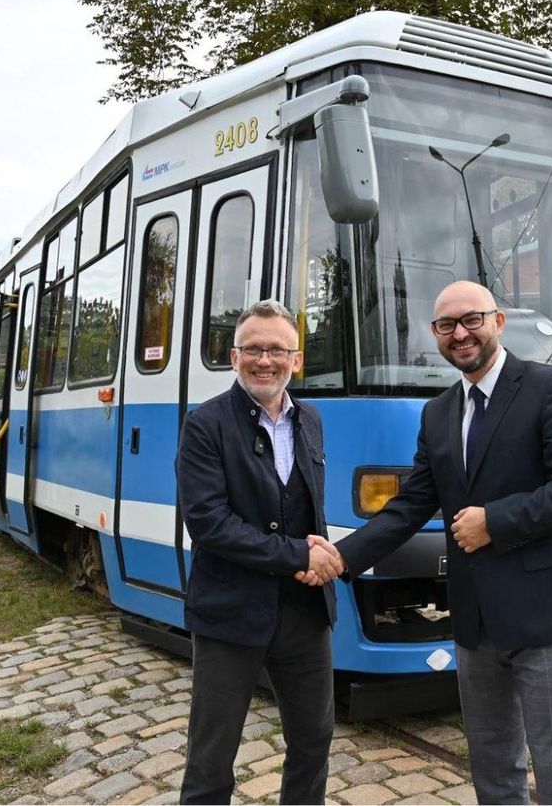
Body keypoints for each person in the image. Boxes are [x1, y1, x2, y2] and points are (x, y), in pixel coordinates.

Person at [333, 280, 552, 805]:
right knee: (493, 764)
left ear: (497, 322)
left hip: (546, 618)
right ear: (435, 335)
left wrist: (494, 522)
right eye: (446, 325)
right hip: (476, 623)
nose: (460, 334)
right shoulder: (437, 413)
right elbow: (411, 505)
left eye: (471, 320)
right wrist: (342, 556)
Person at [176, 299, 344, 805]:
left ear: (296, 360)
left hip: (303, 613)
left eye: (277, 350)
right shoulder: (205, 424)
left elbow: (307, 507)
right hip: (230, 613)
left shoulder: (309, 419)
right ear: (234, 358)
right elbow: (209, 524)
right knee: (212, 755)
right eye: (253, 349)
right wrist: (299, 556)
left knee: (314, 742)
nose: (264, 360)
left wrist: (317, 555)